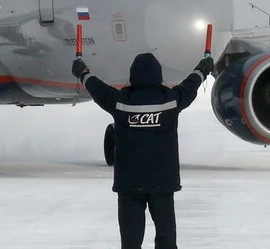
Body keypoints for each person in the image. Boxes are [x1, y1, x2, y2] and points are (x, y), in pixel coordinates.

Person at [72, 52, 214, 249]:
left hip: (130, 184)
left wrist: (82, 72)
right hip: (162, 183)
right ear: (159, 76)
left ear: (133, 77)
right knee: (166, 240)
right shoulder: (171, 100)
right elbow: (191, 84)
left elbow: (97, 88)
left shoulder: (120, 101)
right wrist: (203, 68)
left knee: (130, 242)